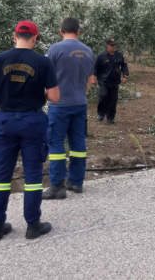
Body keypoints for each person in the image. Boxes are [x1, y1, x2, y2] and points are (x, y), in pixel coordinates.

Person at [0, 20, 59, 241]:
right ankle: (33, 225)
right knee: (33, 174)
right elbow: (54, 97)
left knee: (2, 175)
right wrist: (37, 93)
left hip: (5, 121)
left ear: (15, 36)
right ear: (35, 38)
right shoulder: (43, 62)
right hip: (32, 121)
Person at [43, 17, 96, 199]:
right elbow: (90, 80)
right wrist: (81, 94)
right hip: (80, 104)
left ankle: (57, 186)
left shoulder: (55, 50)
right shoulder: (88, 51)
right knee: (78, 143)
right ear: (78, 31)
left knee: (56, 143)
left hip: (59, 105)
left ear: (61, 31)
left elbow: (46, 77)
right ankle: (76, 182)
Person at [94, 37, 129, 124]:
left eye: (114, 45)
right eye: (112, 45)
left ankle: (110, 118)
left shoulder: (119, 55)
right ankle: (101, 113)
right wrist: (93, 77)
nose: (114, 47)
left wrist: (125, 75)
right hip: (104, 81)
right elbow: (95, 67)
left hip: (114, 82)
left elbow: (124, 65)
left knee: (113, 100)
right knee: (103, 96)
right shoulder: (101, 56)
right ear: (107, 46)